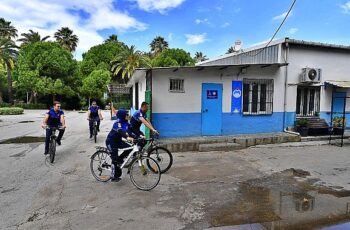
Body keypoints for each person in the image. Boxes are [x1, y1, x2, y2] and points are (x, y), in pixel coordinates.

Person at [105, 109, 135, 182]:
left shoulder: (126, 123)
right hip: (111, 142)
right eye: (126, 114)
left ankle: (119, 159)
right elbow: (120, 131)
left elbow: (131, 131)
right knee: (114, 159)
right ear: (122, 116)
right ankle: (113, 176)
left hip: (118, 141)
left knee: (130, 148)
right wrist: (127, 137)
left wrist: (138, 136)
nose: (128, 116)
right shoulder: (117, 123)